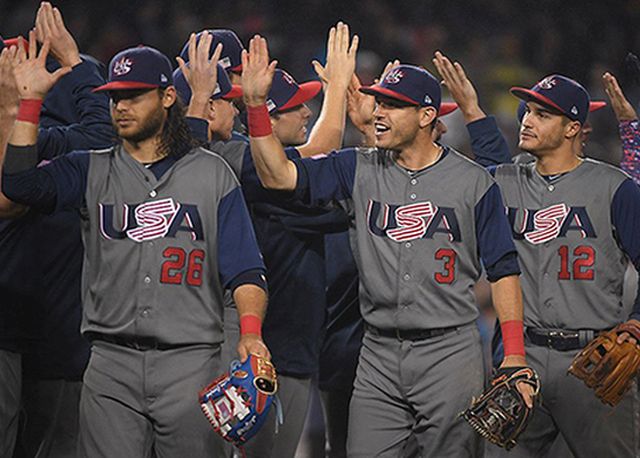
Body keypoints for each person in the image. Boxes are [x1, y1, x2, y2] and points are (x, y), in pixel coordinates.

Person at [241, 35, 533, 457]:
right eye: (379, 102)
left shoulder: (473, 182)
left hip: (449, 351)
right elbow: (279, 177)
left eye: (392, 105)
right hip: (376, 353)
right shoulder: (355, 167)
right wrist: (255, 109)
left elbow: (504, 270)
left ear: (427, 115)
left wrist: (515, 356)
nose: (378, 112)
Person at [1, 34, 269, 457]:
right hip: (110, 364)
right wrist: (28, 102)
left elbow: (246, 270)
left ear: (166, 97)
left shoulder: (212, 173)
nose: (120, 106)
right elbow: (18, 185)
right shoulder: (90, 168)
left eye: (133, 96)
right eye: (114, 97)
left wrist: (251, 336)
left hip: (192, 362)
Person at [433, 51, 640, 458]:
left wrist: (637, 323)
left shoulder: (615, 188)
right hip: (520, 357)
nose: (527, 119)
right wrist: (473, 111)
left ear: (573, 128)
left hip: (594, 359)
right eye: (528, 111)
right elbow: (487, 163)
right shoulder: (506, 181)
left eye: (544, 114)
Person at [179, 23, 358, 457]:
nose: (239, 96)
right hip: (245, 339)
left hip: (273, 340)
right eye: (233, 78)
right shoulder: (230, 160)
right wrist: (335, 89)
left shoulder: (228, 152)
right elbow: (320, 151)